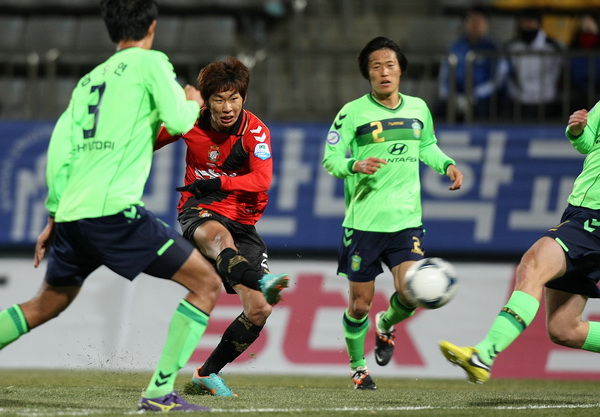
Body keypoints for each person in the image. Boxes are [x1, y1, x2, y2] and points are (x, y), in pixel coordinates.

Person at [0, 0, 223, 412]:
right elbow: (178, 121)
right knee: (206, 285)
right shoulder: (151, 63)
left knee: (46, 303)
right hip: (113, 212)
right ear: (151, 26)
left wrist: (54, 214)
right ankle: (158, 394)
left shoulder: (88, 80)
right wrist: (192, 99)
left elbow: (59, 150)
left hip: (73, 213)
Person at [322, 36, 463, 390]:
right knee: (359, 305)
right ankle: (358, 367)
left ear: (400, 70)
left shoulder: (418, 108)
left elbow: (427, 145)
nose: (384, 72)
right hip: (364, 223)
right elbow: (331, 159)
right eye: (376, 67)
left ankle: (385, 324)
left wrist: (446, 164)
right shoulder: (352, 113)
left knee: (411, 293)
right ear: (367, 74)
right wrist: (355, 164)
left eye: (390, 65)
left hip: (406, 221)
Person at [155, 57, 289, 396]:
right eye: (218, 99)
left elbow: (262, 180)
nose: (227, 107)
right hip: (199, 211)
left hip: (243, 222)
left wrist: (218, 182)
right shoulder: (190, 120)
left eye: (234, 98)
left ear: (244, 97)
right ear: (206, 100)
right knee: (220, 241)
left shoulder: (254, 132)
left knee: (259, 309)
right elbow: (147, 142)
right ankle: (259, 279)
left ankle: (207, 373)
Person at [440, 104, 600, 384]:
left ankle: (483, 355)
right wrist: (577, 130)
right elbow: (587, 143)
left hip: (595, 218)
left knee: (533, 264)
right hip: (579, 211)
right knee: (563, 328)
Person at [437, 6, 506, 121]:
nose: (475, 25)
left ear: (487, 24)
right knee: (438, 111)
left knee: (485, 110)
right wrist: (451, 96)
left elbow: (499, 79)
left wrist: (474, 96)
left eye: (479, 21)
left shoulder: (495, 48)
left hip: (483, 99)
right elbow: (444, 75)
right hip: (456, 98)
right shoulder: (455, 47)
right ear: (465, 23)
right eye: (471, 21)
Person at [504, 8, 563, 120]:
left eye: (531, 22)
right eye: (524, 22)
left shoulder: (555, 47)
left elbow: (561, 72)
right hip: (520, 101)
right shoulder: (512, 47)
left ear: (539, 24)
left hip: (546, 101)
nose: (527, 26)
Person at [569, 14, 600, 111]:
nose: (587, 33)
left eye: (590, 29)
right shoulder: (572, 53)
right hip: (577, 99)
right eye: (583, 30)